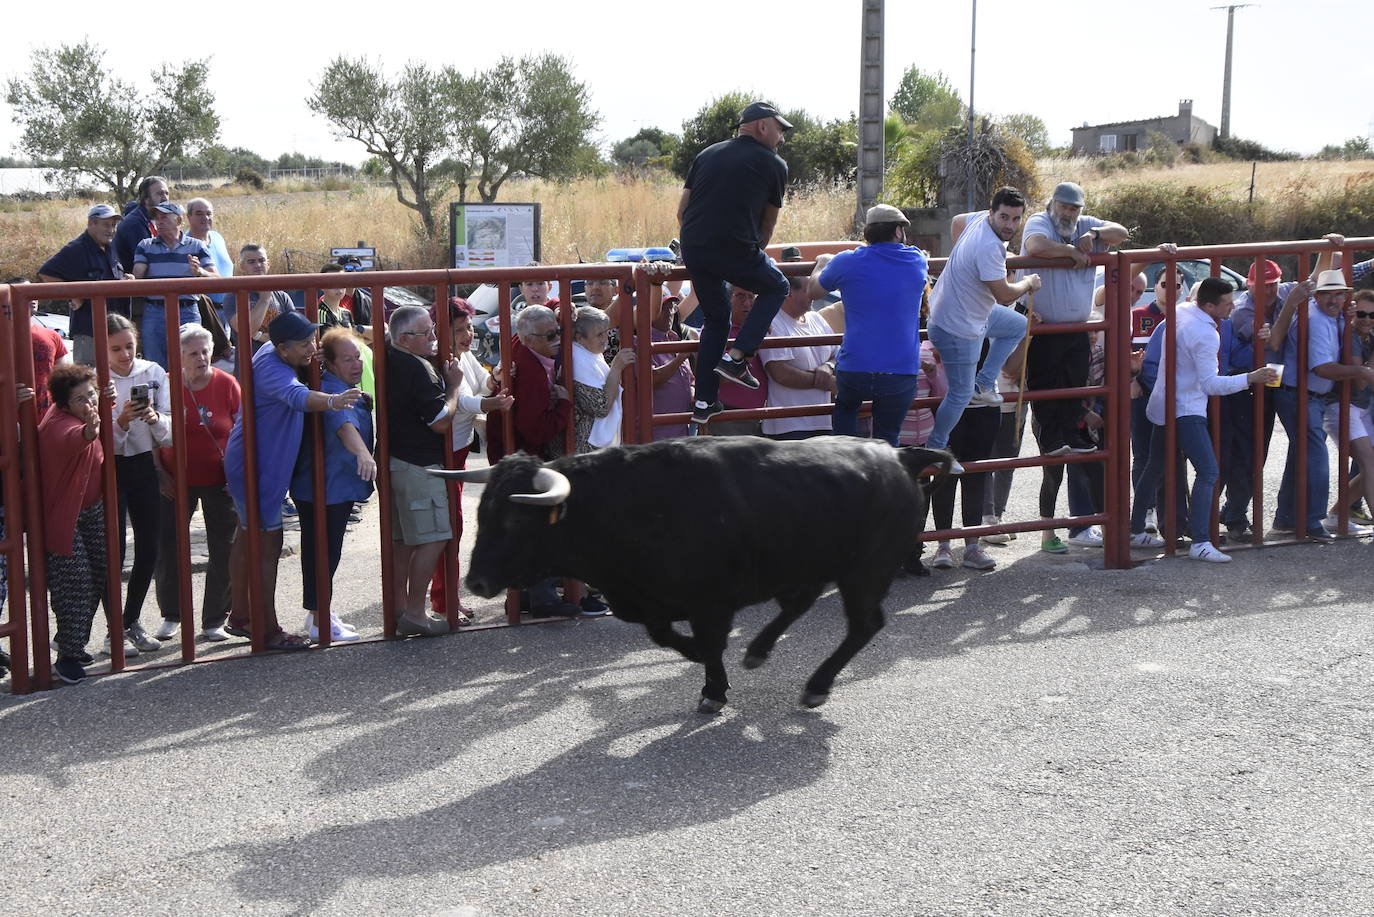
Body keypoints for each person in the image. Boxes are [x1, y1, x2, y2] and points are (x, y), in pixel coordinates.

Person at [223, 311, 363, 650]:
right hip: (257, 468)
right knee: (267, 546)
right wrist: (332, 401)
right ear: (282, 348)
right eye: (303, 344)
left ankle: (241, 616)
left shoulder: (273, 354)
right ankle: (268, 631)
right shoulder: (272, 367)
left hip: (256, 464)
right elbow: (296, 396)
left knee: (247, 538)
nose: (312, 348)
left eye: (312, 340)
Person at [1130, 277, 1278, 562]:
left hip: (1163, 405)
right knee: (1209, 472)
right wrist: (1251, 377)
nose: (1233, 306)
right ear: (1209, 305)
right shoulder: (1206, 333)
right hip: (1186, 409)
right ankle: (1200, 541)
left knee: (1155, 467)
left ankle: (1135, 529)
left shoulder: (1183, 311)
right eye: (1227, 303)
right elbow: (1211, 385)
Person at [678, 100, 792, 425]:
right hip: (734, 247)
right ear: (762, 126)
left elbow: (681, 210)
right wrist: (753, 260)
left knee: (716, 319)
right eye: (780, 129)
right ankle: (739, 357)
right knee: (777, 285)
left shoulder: (706, 154)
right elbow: (767, 226)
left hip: (694, 247)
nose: (781, 138)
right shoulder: (774, 164)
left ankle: (703, 401)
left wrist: (698, 244)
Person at [1221, 240, 1343, 539]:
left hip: (1280, 380)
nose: (1270, 291)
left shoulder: (1286, 291)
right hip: (1248, 384)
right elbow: (1273, 343)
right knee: (1251, 454)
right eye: (1262, 285)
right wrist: (1290, 304)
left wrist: (1327, 248)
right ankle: (1235, 515)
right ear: (1249, 285)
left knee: (1298, 447)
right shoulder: (1242, 312)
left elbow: (1314, 279)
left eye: (1274, 284)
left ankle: (1285, 515)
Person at [925, 187, 1038, 466]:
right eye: (1004, 217)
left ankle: (985, 382)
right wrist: (1028, 283)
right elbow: (1005, 295)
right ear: (992, 213)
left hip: (958, 315)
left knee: (1017, 325)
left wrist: (964, 265)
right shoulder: (989, 247)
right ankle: (935, 451)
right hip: (957, 328)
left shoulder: (977, 221)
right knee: (960, 394)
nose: (1009, 225)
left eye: (1015, 218)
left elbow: (955, 222)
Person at [1020, 182, 1128, 455]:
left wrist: (1094, 232)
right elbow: (1035, 245)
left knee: (1075, 383)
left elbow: (1121, 233)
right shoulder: (1040, 221)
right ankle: (1050, 438)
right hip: (1043, 325)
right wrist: (1069, 251)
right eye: (1064, 206)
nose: (1068, 213)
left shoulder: (1086, 225)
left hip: (1077, 325)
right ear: (1052, 204)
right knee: (1045, 382)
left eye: (1074, 208)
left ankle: (1072, 433)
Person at [806, 203, 928, 447]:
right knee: (888, 441)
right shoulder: (916, 260)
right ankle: (881, 480)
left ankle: (849, 472)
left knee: (845, 428)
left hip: (855, 368)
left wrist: (822, 263)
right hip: (899, 370)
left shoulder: (846, 262)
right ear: (897, 232)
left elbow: (813, 290)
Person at [1268, 270, 1374, 540]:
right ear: (1315, 296)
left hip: (1306, 393)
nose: (1334, 299)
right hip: (1298, 393)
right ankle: (1313, 521)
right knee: (1316, 455)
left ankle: (1287, 519)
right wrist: (1361, 372)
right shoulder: (1316, 320)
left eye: (1339, 293)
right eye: (1327, 294)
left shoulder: (1332, 315)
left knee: (1301, 454)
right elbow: (1322, 368)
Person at [152, 324, 241, 643]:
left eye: (205, 351)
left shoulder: (227, 383)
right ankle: (172, 614)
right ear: (179, 356)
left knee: (224, 547)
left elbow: (242, 431)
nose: (202, 358)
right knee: (169, 545)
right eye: (193, 353)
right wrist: (159, 472)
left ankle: (215, 618)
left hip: (220, 479)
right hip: (174, 478)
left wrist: (237, 474)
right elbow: (149, 431)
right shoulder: (165, 384)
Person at [428, 298, 512, 621]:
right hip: (444, 451)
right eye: (459, 329)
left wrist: (497, 377)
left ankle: (447, 597)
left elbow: (482, 384)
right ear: (441, 329)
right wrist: (489, 405)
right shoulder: (440, 356)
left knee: (453, 526)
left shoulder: (464, 354)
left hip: (458, 449)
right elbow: (460, 400)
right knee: (448, 527)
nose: (468, 335)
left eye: (468, 328)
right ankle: (442, 601)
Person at [291, 328, 376, 643]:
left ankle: (320, 611)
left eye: (358, 357)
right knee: (322, 551)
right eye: (347, 359)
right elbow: (343, 425)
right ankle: (317, 619)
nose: (356, 365)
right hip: (322, 486)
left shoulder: (342, 385)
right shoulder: (330, 388)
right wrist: (365, 455)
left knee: (327, 549)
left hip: (332, 485)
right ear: (328, 362)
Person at [385, 305, 464, 635]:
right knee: (436, 536)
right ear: (405, 338)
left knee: (403, 541)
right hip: (419, 464)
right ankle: (416, 612)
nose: (434, 337)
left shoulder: (388, 357)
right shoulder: (418, 368)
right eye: (427, 333)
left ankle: (400, 609)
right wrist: (454, 386)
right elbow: (440, 423)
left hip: (398, 461)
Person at [106, 313, 173, 655]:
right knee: (113, 553)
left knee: (149, 547)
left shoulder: (153, 371)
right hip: (109, 468)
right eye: (116, 348)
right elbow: (95, 438)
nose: (124, 355)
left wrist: (155, 419)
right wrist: (120, 421)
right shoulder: (96, 378)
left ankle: (130, 621)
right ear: (104, 349)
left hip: (144, 463)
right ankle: (111, 631)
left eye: (129, 346)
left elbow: (171, 429)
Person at [37, 364, 110, 684]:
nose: (89, 403)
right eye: (80, 399)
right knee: (74, 580)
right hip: (64, 513)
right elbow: (68, 439)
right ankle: (66, 654)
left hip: (91, 507)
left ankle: (72, 641)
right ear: (64, 404)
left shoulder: (86, 412)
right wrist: (88, 432)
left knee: (99, 574)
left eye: (91, 395)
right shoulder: (59, 423)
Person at [37, 203, 134, 365]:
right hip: (90, 332)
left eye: (113, 225)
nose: (111, 229)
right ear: (91, 223)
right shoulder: (76, 248)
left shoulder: (111, 247)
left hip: (116, 331)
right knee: (89, 381)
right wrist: (72, 295)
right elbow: (46, 272)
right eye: (105, 225)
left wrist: (127, 280)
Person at [131, 201, 218, 369]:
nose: (159, 221)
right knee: (155, 367)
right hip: (154, 311)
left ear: (178, 221)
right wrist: (131, 279)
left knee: (190, 364)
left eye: (164, 217)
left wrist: (199, 272)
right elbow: (137, 277)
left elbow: (216, 278)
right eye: (157, 218)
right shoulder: (145, 245)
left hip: (187, 310)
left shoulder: (197, 246)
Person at [761, 276, 837, 440]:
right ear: (789, 293)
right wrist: (826, 381)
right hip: (788, 426)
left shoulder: (816, 318)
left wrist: (828, 367)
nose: (814, 294)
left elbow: (838, 353)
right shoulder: (772, 322)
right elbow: (780, 373)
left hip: (822, 421)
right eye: (808, 289)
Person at [1325, 289, 1374, 528]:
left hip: (1362, 407)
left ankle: (1336, 515)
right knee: (1369, 463)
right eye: (1362, 314)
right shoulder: (1351, 336)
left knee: (1371, 465)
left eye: (1372, 315)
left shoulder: (1368, 336)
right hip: (1341, 406)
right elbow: (1361, 380)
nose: (1367, 320)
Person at [568, 306, 636, 453]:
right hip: (585, 450)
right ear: (579, 337)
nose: (605, 339)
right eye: (599, 335)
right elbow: (601, 406)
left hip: (594, 447)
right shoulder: (577, 359)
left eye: (606, 332)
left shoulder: (588, 353)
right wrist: (617, 367)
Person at [706, 285, 769, 435]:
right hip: (728, 418)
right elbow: (721, 379)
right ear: (727, 300)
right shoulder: (717, 331)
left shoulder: (758, 328)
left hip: (761, 417)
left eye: (751, 296)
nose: (747, 303)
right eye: (740, 296)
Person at [223, 243, 296, 361]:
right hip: (250, 367)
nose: (258, 265)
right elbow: (245, 330)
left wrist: (260, 336)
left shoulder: (282, 296)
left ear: (268, 263)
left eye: (261, 260)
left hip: (281, 365)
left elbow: (294, 332)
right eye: (251, 262)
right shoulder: (233, 296)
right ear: (242, 266)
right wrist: (264, 299)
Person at [649, 293, 695, 441]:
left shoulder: (676, 338)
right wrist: (681, 357)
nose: (670, 312)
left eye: (672, 307)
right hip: (656, 434)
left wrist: (694, 396)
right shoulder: (639, 341)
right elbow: (651, 379)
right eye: (664, 308)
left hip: (681, 432)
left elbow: (690, 380)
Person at [185, 198, 233, 316]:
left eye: (208, 213)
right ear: (189, 217)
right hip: (205, 313)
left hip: (229, 309)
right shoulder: (185, 245)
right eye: (199, 214)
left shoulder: (217, 237)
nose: (205, 218)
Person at [113, 176, 170, 277]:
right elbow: (148, 260)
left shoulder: (151, 219)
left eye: (166, 193)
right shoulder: (134, 224)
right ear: (146, 199)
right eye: (160, 194)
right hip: (130, 285)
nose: (165, 198)